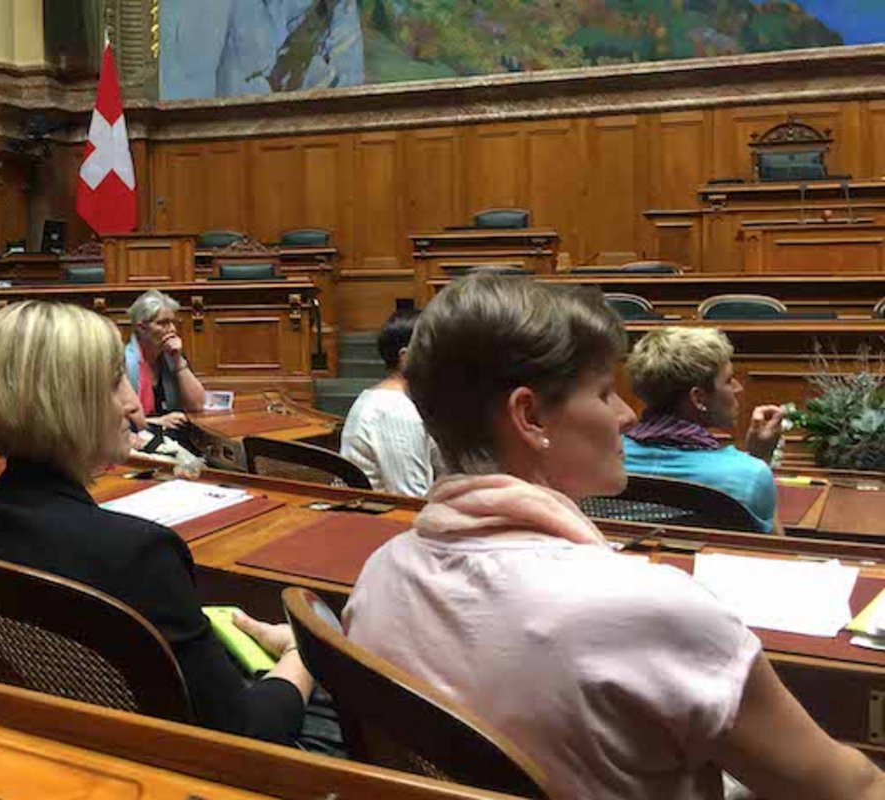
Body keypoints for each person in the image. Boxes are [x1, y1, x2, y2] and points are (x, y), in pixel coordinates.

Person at [343, 275, 884, 800]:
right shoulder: (649, 609)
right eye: (604, 393)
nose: (626, 416)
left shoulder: (379, 573)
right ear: (530, 417)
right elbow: (848, 789)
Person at [0, 300, 313, 744]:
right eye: (115, 384)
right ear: (65, 405)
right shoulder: (137, 553)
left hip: (9, 747)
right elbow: (244, 737)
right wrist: (301, 654)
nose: (133, 406)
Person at [622, 326, 783, 534]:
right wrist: (761, 458)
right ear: (698, 398)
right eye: (728, 380)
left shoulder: (604, 458)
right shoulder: (749, 475)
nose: (738, 388)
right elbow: (775, 547)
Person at [339, 308, 440, 496]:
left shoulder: (396, 401)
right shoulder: (394, 410)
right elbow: (411, 499)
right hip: (386, 514)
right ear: (406, 357)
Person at [124, 290, 206, 431]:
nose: (172, 329)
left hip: (171, 433)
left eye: (172, 322)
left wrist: (178, 362)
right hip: (137, 436)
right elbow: (114, 419)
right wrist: (157, 422)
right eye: (163, 323)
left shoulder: (171, 357)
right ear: (142, 328)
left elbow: (197, 405)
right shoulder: (122, 362)